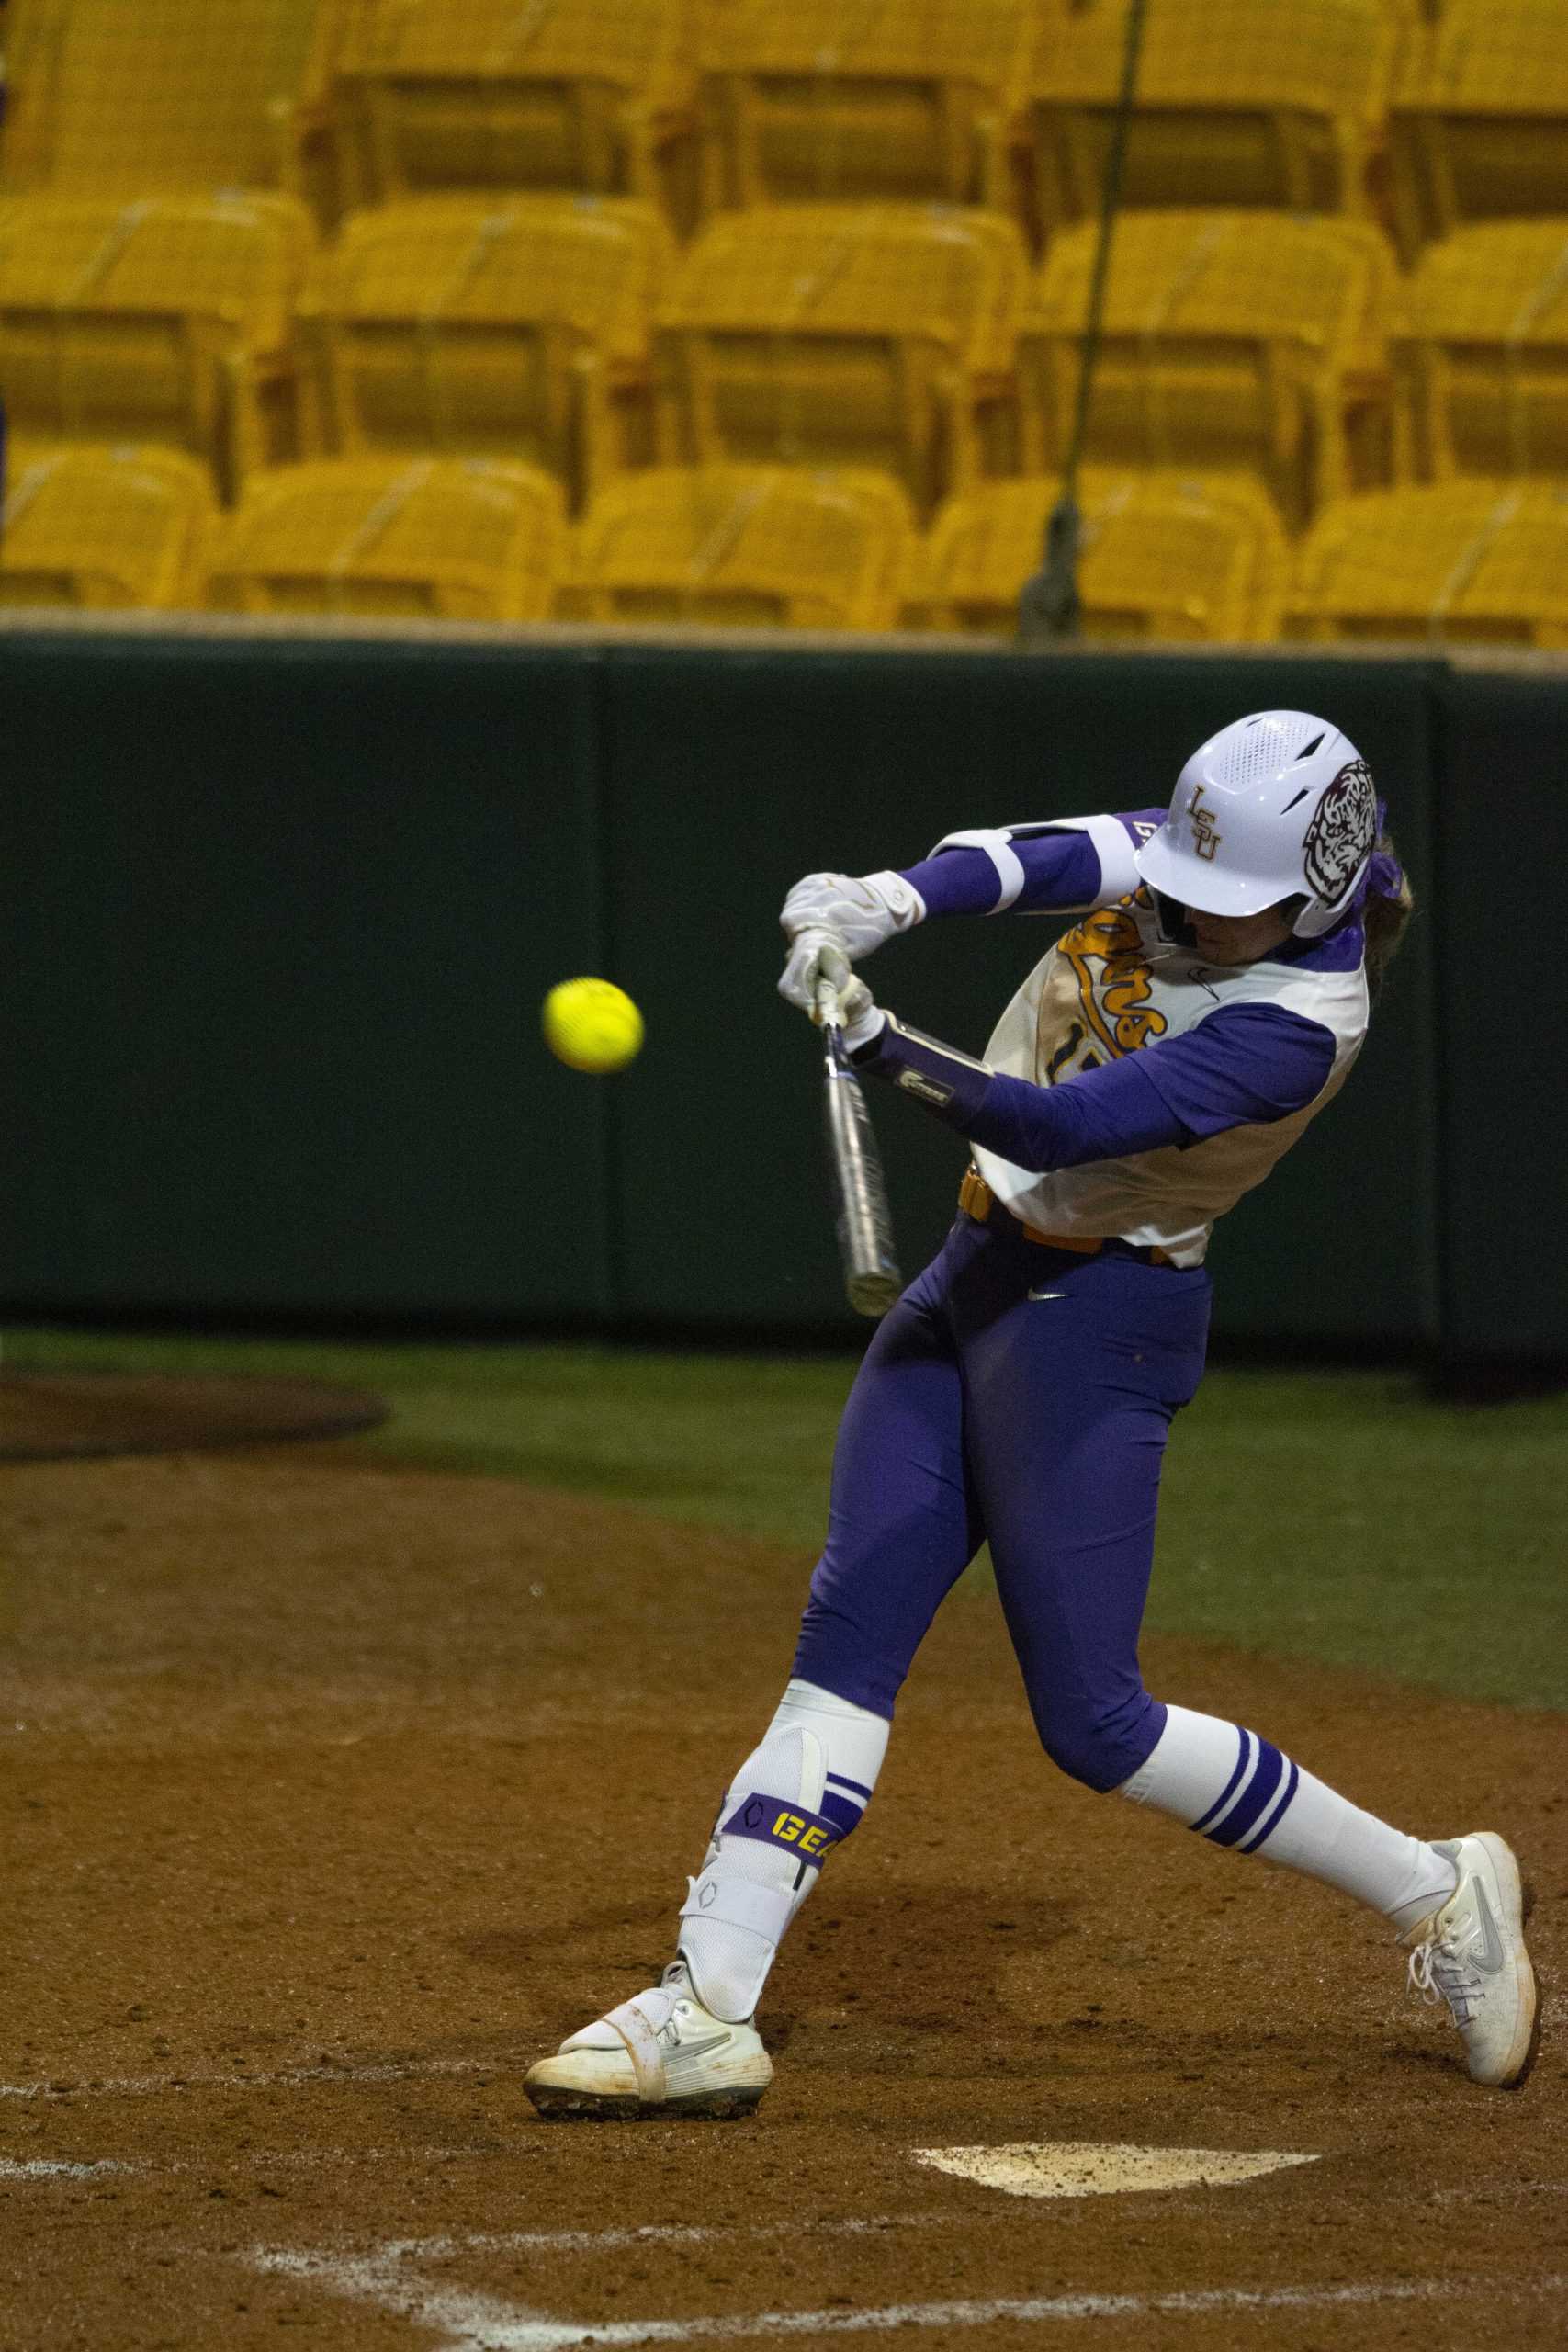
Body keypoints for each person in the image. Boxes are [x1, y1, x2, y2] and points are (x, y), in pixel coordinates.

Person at [525, 708, 1537, 2119]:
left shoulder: (1300, 1028)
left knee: (1096, 1724)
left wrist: (877, 1040)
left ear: (1312, 893)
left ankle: (1439, 1891)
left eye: (1220, 903)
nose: (1184, 909)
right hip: (971, 1275)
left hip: (1096, 1326)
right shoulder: (1208, 865)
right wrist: (881, 902)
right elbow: (1048, 855)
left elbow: (1057, 1128)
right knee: (848, 1633)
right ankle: (707, 2003)